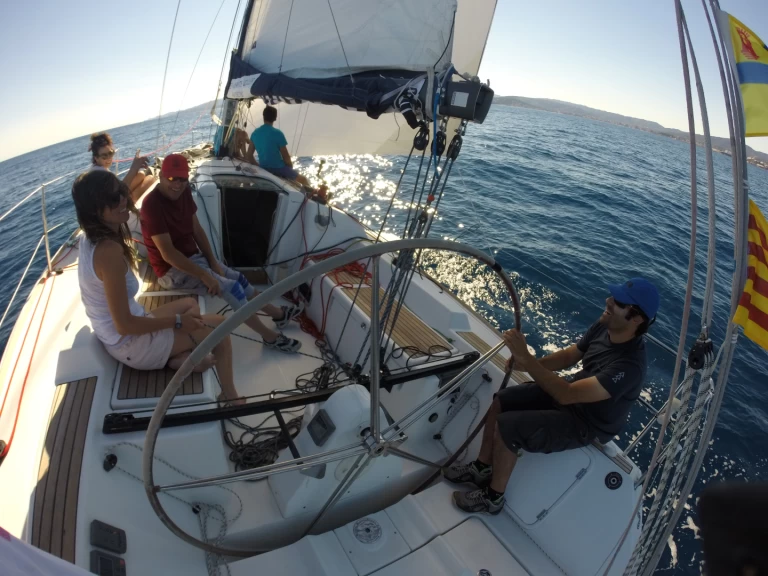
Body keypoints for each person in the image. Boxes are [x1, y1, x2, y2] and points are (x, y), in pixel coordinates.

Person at [445, 277, 660, 514]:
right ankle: (481, 469)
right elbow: (571, 355)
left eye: (618, 302)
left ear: (637, 318)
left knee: (510, 426)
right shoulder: (605, 325)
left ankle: (493, 498)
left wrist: (526, 358)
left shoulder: (629, 367)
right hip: (570, 396)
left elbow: (567, 395)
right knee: (502, 400)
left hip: (586, 422)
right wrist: (528, 365)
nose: (608, 301)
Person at [72, 170, 243, 405]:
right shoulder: (108, 252)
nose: (123, 199)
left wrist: (180, 320)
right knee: (221, 329)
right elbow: (124, 326)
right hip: (131, 343)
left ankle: (178, 358)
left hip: (128, 328)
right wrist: (178, 322)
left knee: (190, 304)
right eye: (113, 199)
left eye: (121, 191)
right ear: (95, 210)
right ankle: (231, 397)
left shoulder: (88, 237)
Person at [140, 154, 302, 353]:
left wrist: (213, 262)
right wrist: (205, 275)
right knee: (231, 288)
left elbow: (197, 230)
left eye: (182, 178)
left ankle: (278, 314)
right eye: (172, 179)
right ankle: (269, 337)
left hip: (194, 259)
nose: (178, 184)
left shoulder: (183, 193)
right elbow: (169, 255)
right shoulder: (151, 206)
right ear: (161, 176)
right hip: (171, 271)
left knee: (238, 278)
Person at [250, 105, 312, 187]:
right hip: (279, 169)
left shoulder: (255, 133)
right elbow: (286, 156)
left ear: (263, 117)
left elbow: (249, 155)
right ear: (275, 118)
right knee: (303, 180)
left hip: (263, 167)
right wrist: (290, 168)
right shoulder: (278, 133)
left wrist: (259, 167)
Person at [89, 132, 156, 203]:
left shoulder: (96, 169)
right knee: (150, 179)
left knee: (141, 175)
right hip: (117, 208)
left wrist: (135, 169)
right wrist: (134, 168)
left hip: (115, 199)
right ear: (96, 158)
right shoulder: (101, 175)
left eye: (110, 153)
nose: (109, 158)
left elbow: (116, 189)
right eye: (104, 156)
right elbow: (119, 193)